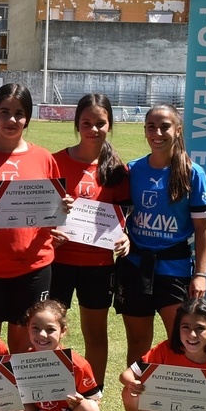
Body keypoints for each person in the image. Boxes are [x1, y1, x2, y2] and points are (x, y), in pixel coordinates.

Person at [0, 83, 71, 353]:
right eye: (4, 112)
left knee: (25, 345)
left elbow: (52, 212)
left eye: (19, 113)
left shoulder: (44, 158)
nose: (11, 120)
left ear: (27, 118)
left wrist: (63, 208)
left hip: (33, 268)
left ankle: (22, 397)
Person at [116, 104, 206, 368]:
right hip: (135, 266)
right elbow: (119, 215)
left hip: (175, 268)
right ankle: (137, 404)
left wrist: (200, 274)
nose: (157, 133)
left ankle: (176, 406)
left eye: (165, 126)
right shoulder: (133, 170)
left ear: (178, 130)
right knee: (137, 342)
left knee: (180, 341)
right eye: (151, 127)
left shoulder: (193, 173)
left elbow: (203, 230)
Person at [49, 94, 131, 385]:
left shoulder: (118, 171)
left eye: (100, 123)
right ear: (76, 124)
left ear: (110, 124)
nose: (93, 129)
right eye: (87, 123)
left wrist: (125, 237)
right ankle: (52, 393)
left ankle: (91, 393)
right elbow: (40, 214)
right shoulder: (55, 162)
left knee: (95, 334)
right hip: (57, 262)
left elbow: (123, 217)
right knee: (49, 331)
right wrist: (50, 231)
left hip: (97, 265)